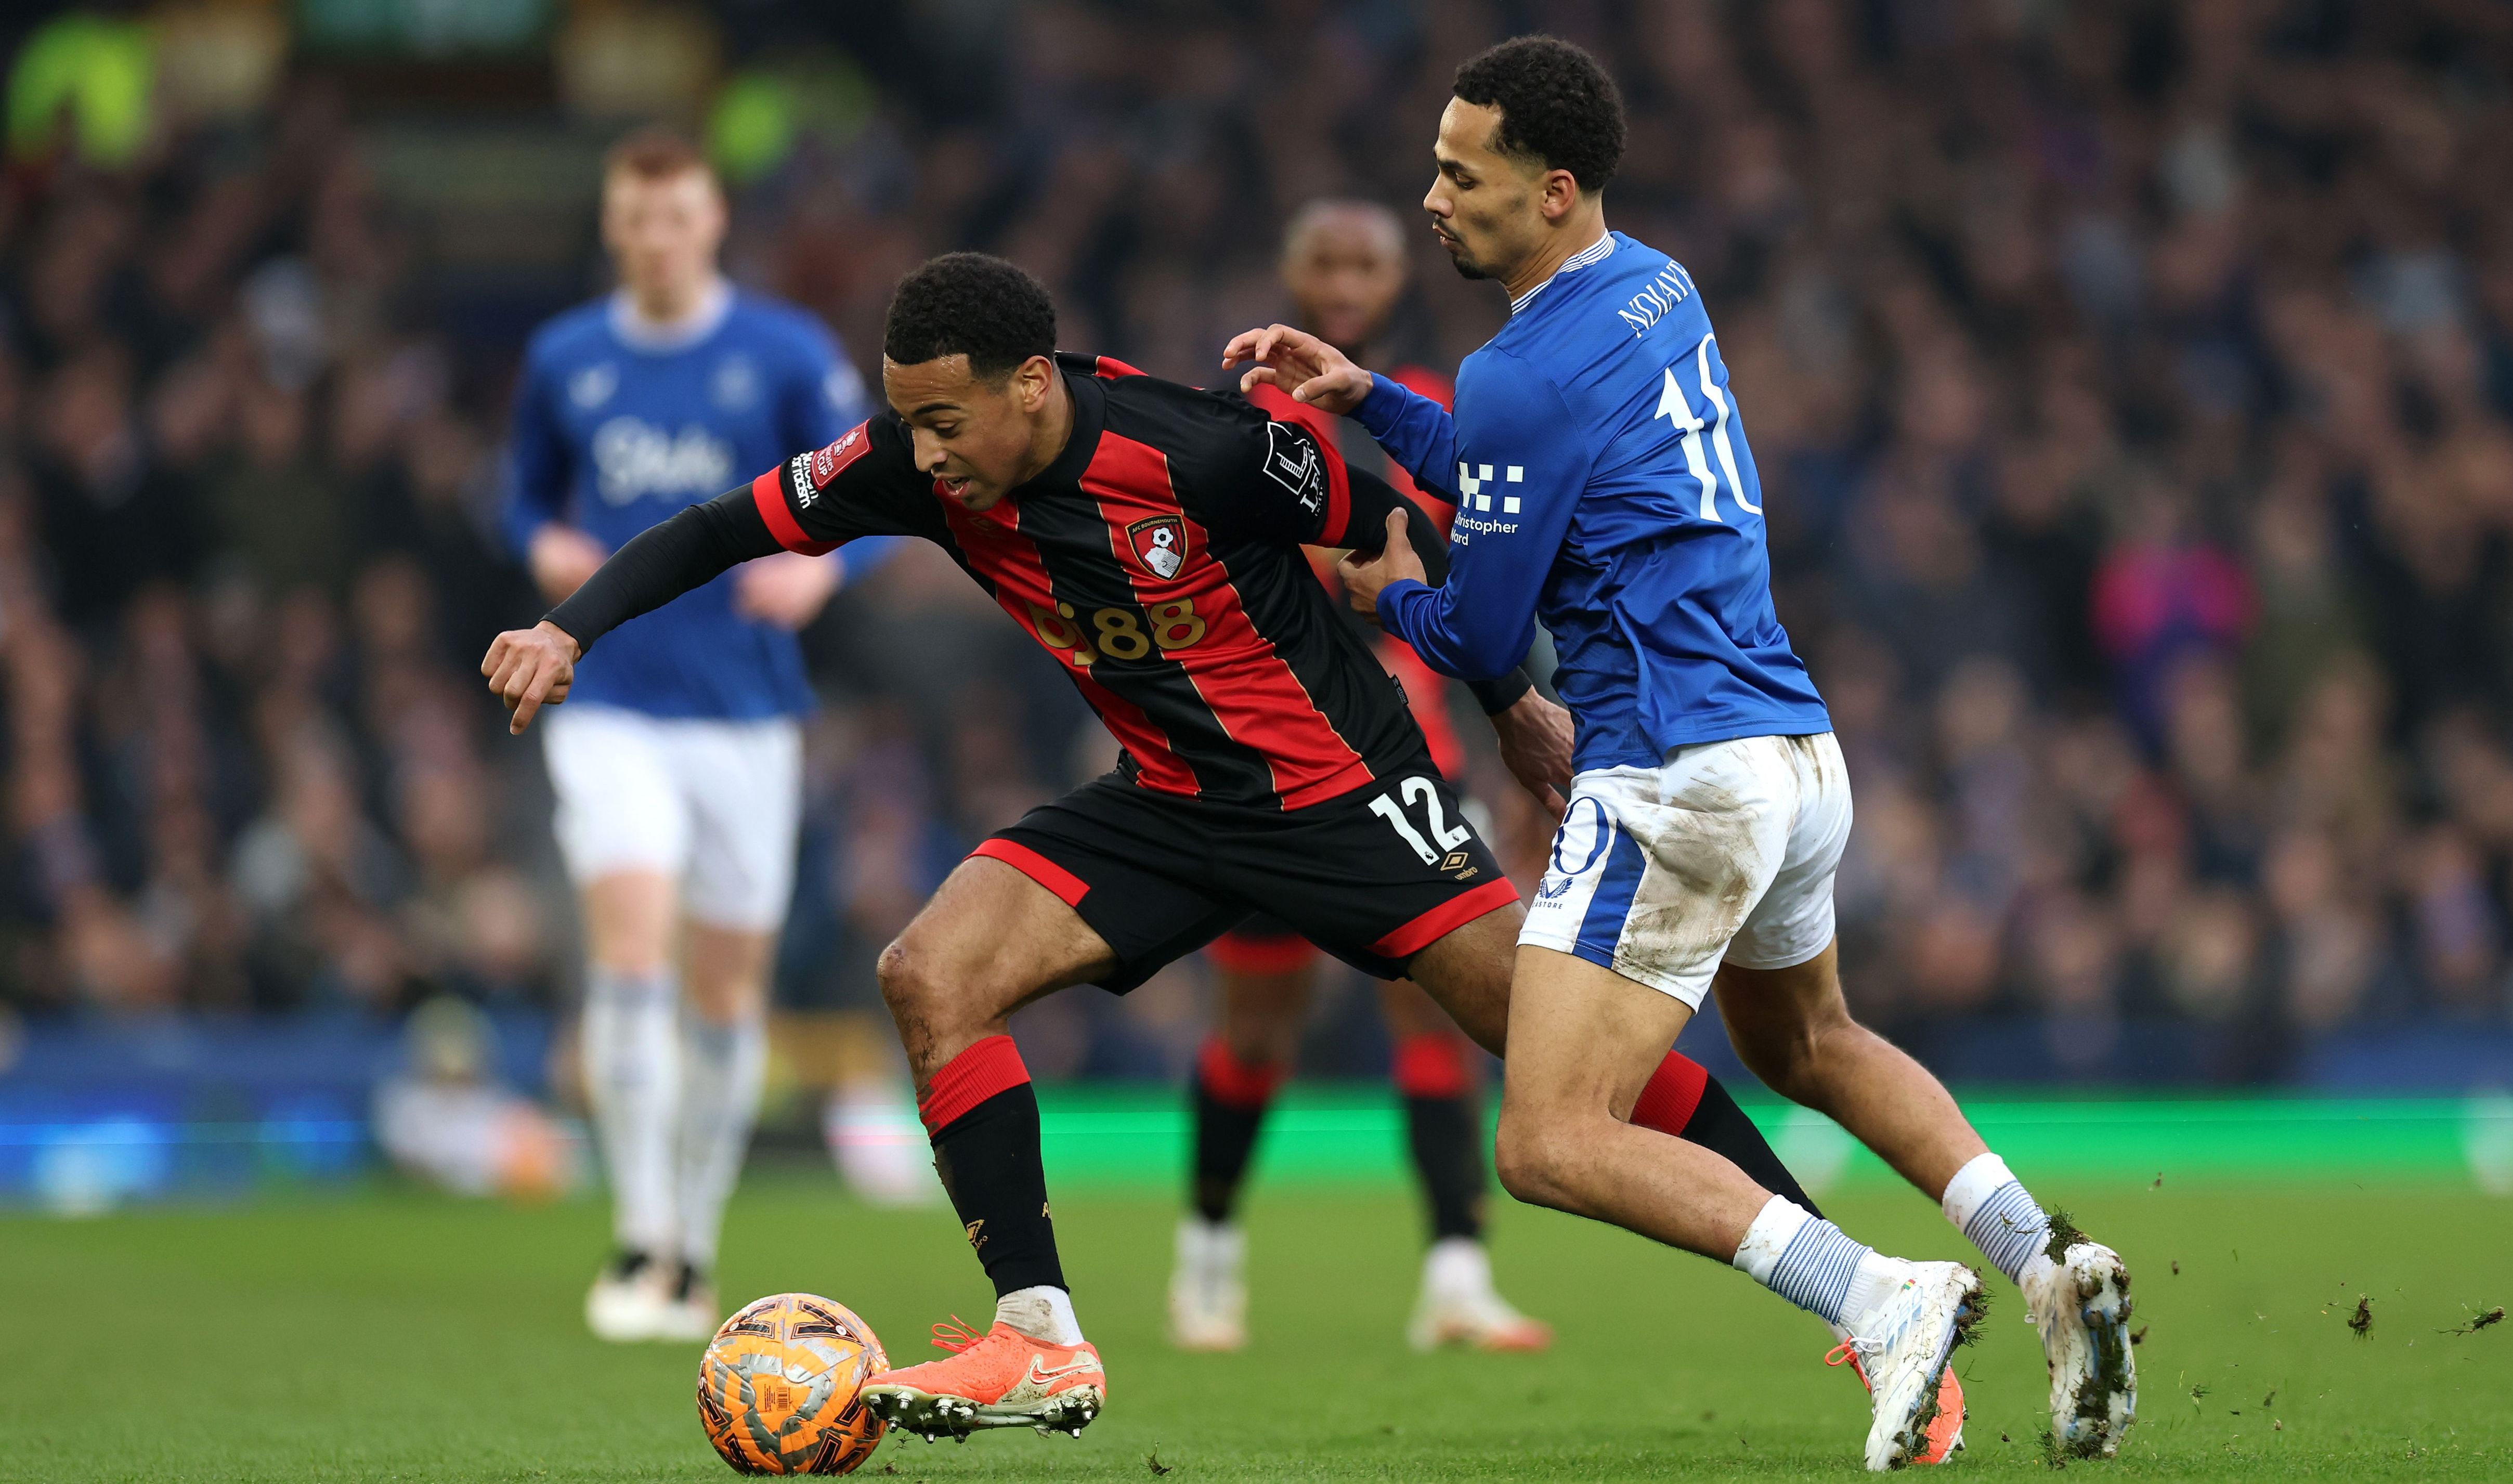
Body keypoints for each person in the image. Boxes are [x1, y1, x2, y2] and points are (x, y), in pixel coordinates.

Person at [483, 252, 1847, 1444]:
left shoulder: (1198, 447)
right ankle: (1039, 1333)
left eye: (943, 418)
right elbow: (725, 525)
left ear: (1031, 384)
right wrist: (570, 629)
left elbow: (1381, 518)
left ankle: (1849, 1286)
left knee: (1565, 1063)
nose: (921, 450)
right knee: (930, 973)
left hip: (1340, 791)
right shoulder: (914, 460)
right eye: (906, 421)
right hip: (1170, 802)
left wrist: (1510, 708)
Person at [1228, 36, 2139, 1470]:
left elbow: (1476, 629)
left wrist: (1378, 593)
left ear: (1553, 190)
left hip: (1668, 772)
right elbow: (1528, 453)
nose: (1431, 197)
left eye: (1461, 174)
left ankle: (1880, 1292)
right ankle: (2043, 1258)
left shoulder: (1513, 364)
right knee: (1808, 1040)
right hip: (1792, 747)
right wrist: (1370, 398)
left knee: (1545, 1138)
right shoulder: (1658, 280)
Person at [500, 127, 894, 1343]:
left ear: (711, 222)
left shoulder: (781, 350)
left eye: (675, 218)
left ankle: (695, 1238)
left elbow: (881, 487)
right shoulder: (564, 357)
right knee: (630, 948)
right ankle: (641, 1236)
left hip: (746, 709)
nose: (654, 239)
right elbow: (521, 486)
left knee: (726, 991)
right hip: (611, 700)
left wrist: (821, 578)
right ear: (613, 227)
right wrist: (543, 546)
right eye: (634, 219)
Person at [1169, 198, 1546, 1356]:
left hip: (1413, 756)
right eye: (1321, 262)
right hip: (1276, 751)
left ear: (1397, 279)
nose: (1342, 282)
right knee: (1259, 1026)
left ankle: (1453, 1272)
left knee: (1439, 1008)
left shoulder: (1431, 408)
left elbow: (1481, 579)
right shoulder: (1235, 416)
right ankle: (1210, 1248)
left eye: (1364, 264)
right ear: (1287, 272)